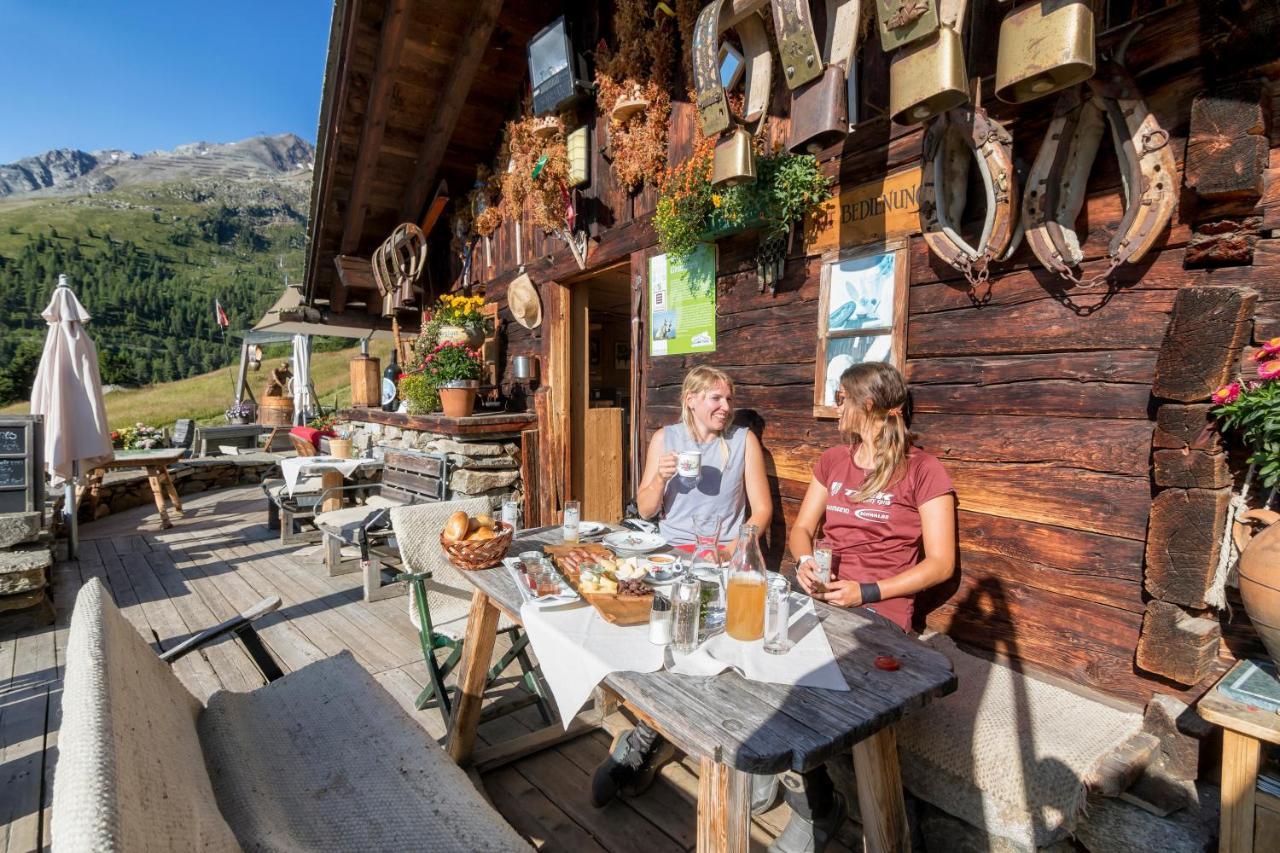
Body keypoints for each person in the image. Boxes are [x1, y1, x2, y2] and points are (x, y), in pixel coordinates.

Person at [770, 361, 955, 852]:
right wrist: (805, 562)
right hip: (819, 595)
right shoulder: (834, 460)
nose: (836, 408)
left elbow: (940, 564)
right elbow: (801, 530)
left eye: (841, 399)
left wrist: (865, 592)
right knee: (760, 650)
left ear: (865, 405)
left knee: (809, 680)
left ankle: (817, 809)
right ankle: (796, 785)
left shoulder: (923, 469)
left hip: (876, 613)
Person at [592, 365, 772, 808]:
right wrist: (661, 478)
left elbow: (761, 511)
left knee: (715, 651)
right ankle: (650, 736)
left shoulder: (742, 441)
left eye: (728, 399)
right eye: (716, 398)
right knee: (657, 647)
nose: (725, 407)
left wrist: (735, 549)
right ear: (691, 399)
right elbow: (647, 507)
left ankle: (726, 747)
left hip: (721, 562)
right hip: (668, 558)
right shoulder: (665, 439)